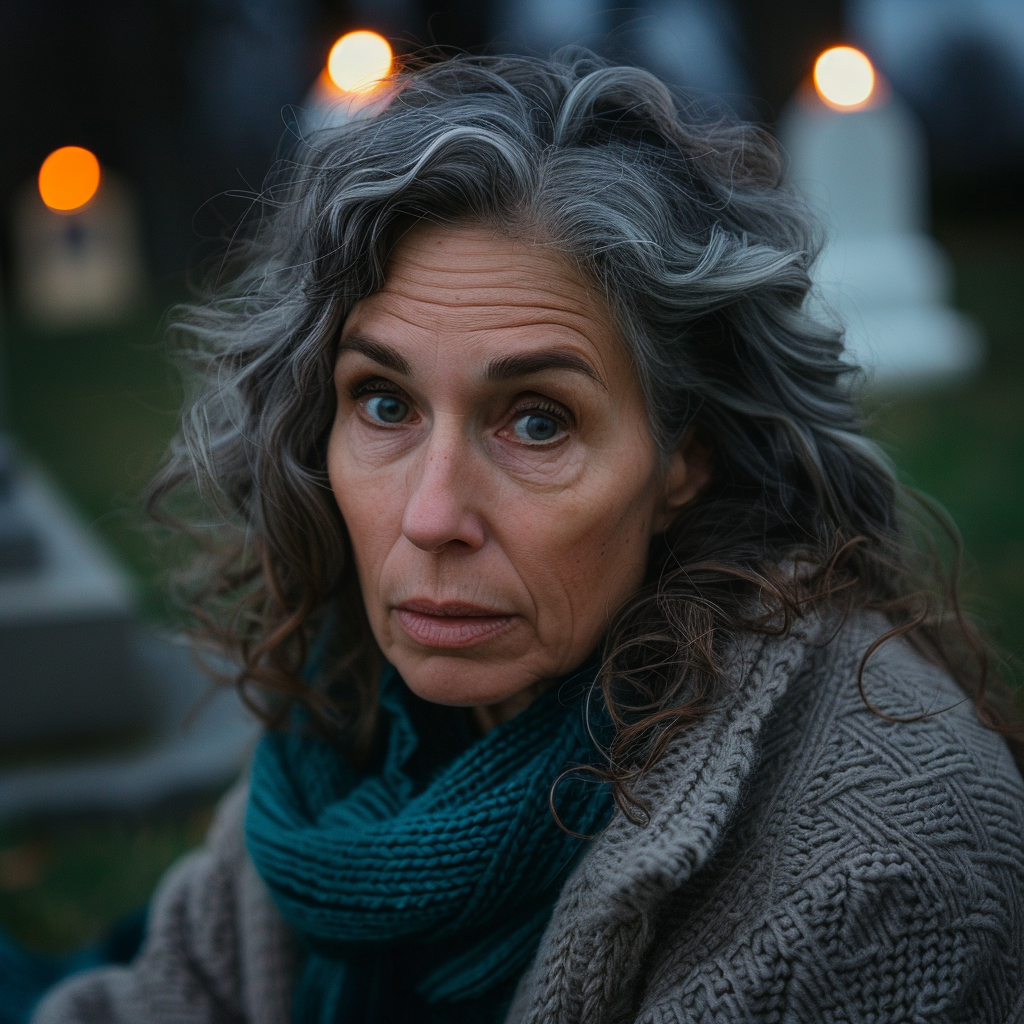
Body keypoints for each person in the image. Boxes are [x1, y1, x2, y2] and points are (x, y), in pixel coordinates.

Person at [33, 50, 1024, 1024]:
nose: (429, 517)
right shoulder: (344, 724)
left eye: (537, 420)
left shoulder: (876, 867)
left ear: (687, 457)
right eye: (383, 402)